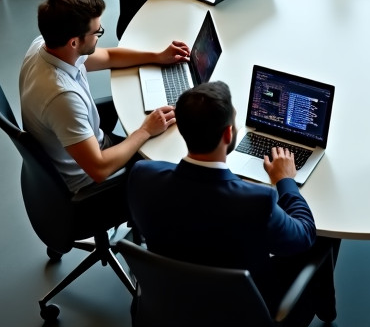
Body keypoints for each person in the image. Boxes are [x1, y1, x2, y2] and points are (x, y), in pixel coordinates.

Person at [128, 81, 338, 325]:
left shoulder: (142, 175)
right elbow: (304, 235)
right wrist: (285, 181)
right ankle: (327, 311)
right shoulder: (256, 202)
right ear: (228, 134)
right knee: (325, 237)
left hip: (170, 303)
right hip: (245, 313)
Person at [19, 0, 185, 202]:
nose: (99, 36)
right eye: (97, 33)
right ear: (74, 42)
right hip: (89, 183)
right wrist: (144, 130)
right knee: (173, 169)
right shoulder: (61, 97)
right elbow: (99, 168)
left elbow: (107, 57)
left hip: (85, 146)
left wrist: (158, 56)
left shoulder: (46, 45)